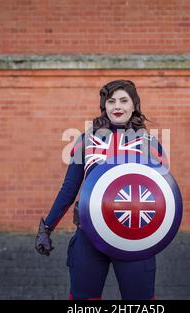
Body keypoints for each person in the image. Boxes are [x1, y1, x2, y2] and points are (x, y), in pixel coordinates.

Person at [35, 79, 168, 300]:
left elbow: (162, 195)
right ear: (104, 106)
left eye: (124, 101)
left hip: (134, 237)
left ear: (134, 105)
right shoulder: (86, 141)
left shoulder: (149, 144)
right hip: (89, 234)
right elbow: (69, 188)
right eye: (111, 101)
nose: (117, 106)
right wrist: (46, 228)